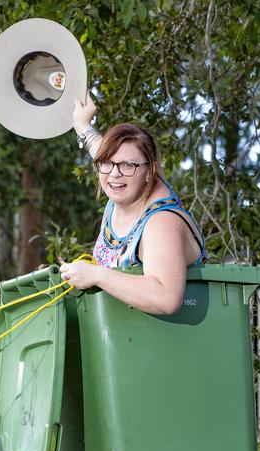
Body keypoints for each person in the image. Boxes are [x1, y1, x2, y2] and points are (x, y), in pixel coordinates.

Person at [59, 93, 206, 315]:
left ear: (150, 171)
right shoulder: (120, 180)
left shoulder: (161, 222)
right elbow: (107, 154)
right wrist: (82, 123)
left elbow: (167, 298)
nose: (115, 174)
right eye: (107, 163)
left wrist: (96, 274)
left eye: (128, 165)